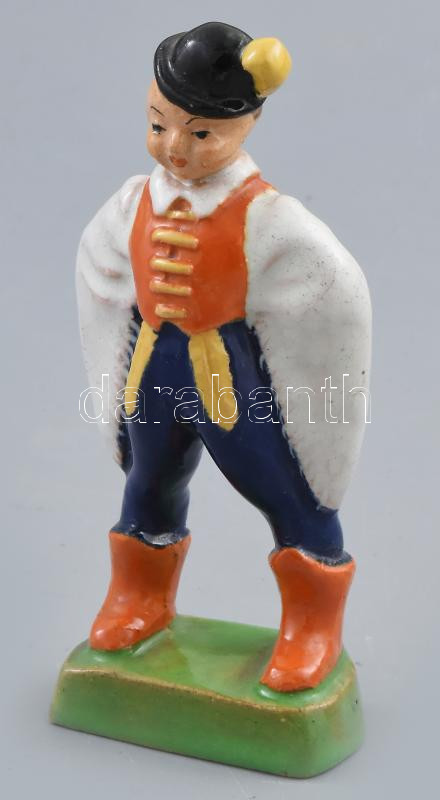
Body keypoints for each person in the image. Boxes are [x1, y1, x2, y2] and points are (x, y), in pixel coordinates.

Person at [76, 21, 371, 691]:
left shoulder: (267, 215)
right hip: (154, 366)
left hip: (227, 374)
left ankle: (313, 623)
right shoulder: (133, 201)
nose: (174, 147)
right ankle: (140, 597)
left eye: (201, 133)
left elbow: (331, 291)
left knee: (285, 487)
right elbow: (102, 270)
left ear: (247, 124)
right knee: (148, 479)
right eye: (158, 125)